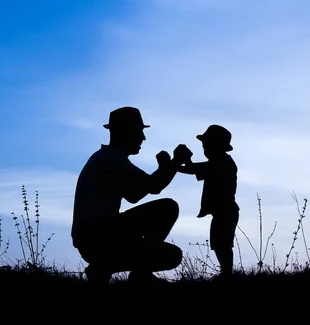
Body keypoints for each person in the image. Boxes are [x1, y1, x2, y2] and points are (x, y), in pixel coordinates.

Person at [71, 106, 193, 284]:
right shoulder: (112, 159)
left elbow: (135, 194)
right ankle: (134, 272)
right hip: (99, 238)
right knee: (168, 210)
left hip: (94, 238)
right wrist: (174, 163)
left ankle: (105, 268)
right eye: (138, 132)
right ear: (124, 132)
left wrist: (166, 167)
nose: (143, 138)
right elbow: (153, 187)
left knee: (171, 255)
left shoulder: (107, 158)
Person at [178, 124, 240, 279]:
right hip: (222, 211)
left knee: (222, 244)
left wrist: (180, 162)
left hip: (226, 210)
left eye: (206, 145)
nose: (204, 149)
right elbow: (195, 169)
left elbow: (193, 169)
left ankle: (227, 274)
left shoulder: (222, 162)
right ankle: (226, 274)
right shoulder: (220, 161)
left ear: (217, 145)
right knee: (220, 244)